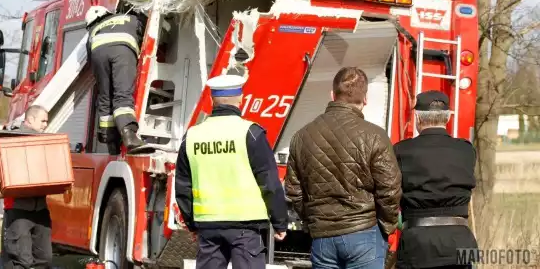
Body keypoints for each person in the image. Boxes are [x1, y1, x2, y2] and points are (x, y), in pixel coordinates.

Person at [284, 66, 402, 269]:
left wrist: (313, 220)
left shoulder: (301, 137)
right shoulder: (375, 136)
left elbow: (294, 191)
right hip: (365, 231)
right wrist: (387, 225)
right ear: (365, 99)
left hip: (323, 237)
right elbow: (390, 189)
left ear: (332, 95)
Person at [174, 74, 288, 269]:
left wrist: (191, 224)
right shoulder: (250, 133)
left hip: (208, 228)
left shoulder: (192, 136)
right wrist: (280, 222)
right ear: (241, 99)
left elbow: (183, 186)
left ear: (211, 100)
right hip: (245, 228)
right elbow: (269, 181)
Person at [393, 91, 478, 269]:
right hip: (460, 244)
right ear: (447, 118)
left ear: (417, 118)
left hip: (417, 246)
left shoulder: (401, 151)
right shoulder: (466, 150)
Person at [0, 105, 52, 269]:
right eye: (43, 121)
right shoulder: (11, 136)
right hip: (18, 209)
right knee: (21, 260)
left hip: (41, 209)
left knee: (45, 259)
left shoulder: (44, 140)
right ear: (30, 119)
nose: (46, 124)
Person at [85, 3, 149, 154]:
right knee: (122, 94)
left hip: (97, 53)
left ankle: (110, 140)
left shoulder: (94, 30)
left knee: (105, 96)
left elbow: (90, 60)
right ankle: (129, 135)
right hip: (122, 50)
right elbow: (145, 34)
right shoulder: (129, 18)